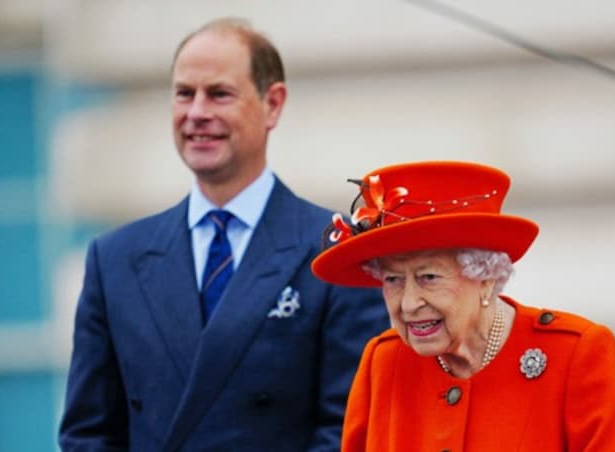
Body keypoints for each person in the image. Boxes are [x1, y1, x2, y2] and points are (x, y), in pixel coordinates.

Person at [59, 18, 388, 451]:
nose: (197, 113)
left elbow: (349, 429)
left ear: (272, 104)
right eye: (183, 94)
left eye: (219, 94)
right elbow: (88, 434)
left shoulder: (338, 250)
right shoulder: (114, 258)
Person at [311, 161, 615, 451]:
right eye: (393, 280)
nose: (409, 303)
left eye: (428, 277)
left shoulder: (573, 354)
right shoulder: (383, 361)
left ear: (485, 277)